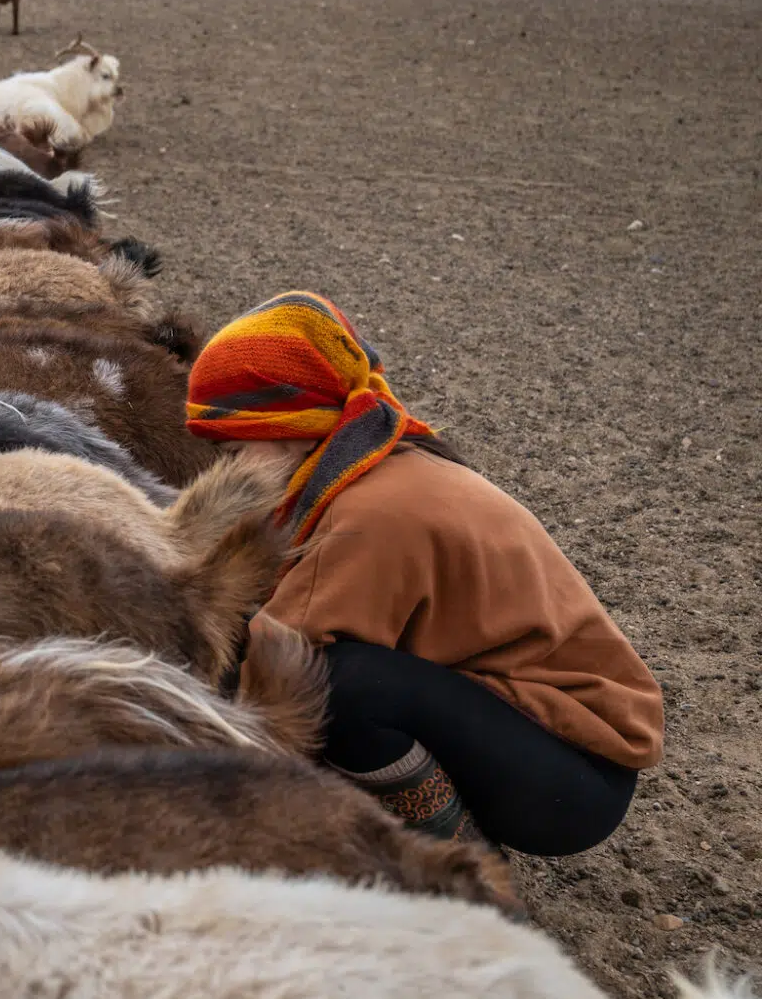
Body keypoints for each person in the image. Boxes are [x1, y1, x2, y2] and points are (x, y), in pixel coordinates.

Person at [185, 291, 662, 855]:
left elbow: (277, 659)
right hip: (534, 738)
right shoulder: (378, 464)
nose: (227, 467)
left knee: (336, 683)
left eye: (233, 446)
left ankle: (456, 864)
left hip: (574, 777)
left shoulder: (370, 512)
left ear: (285, 425)